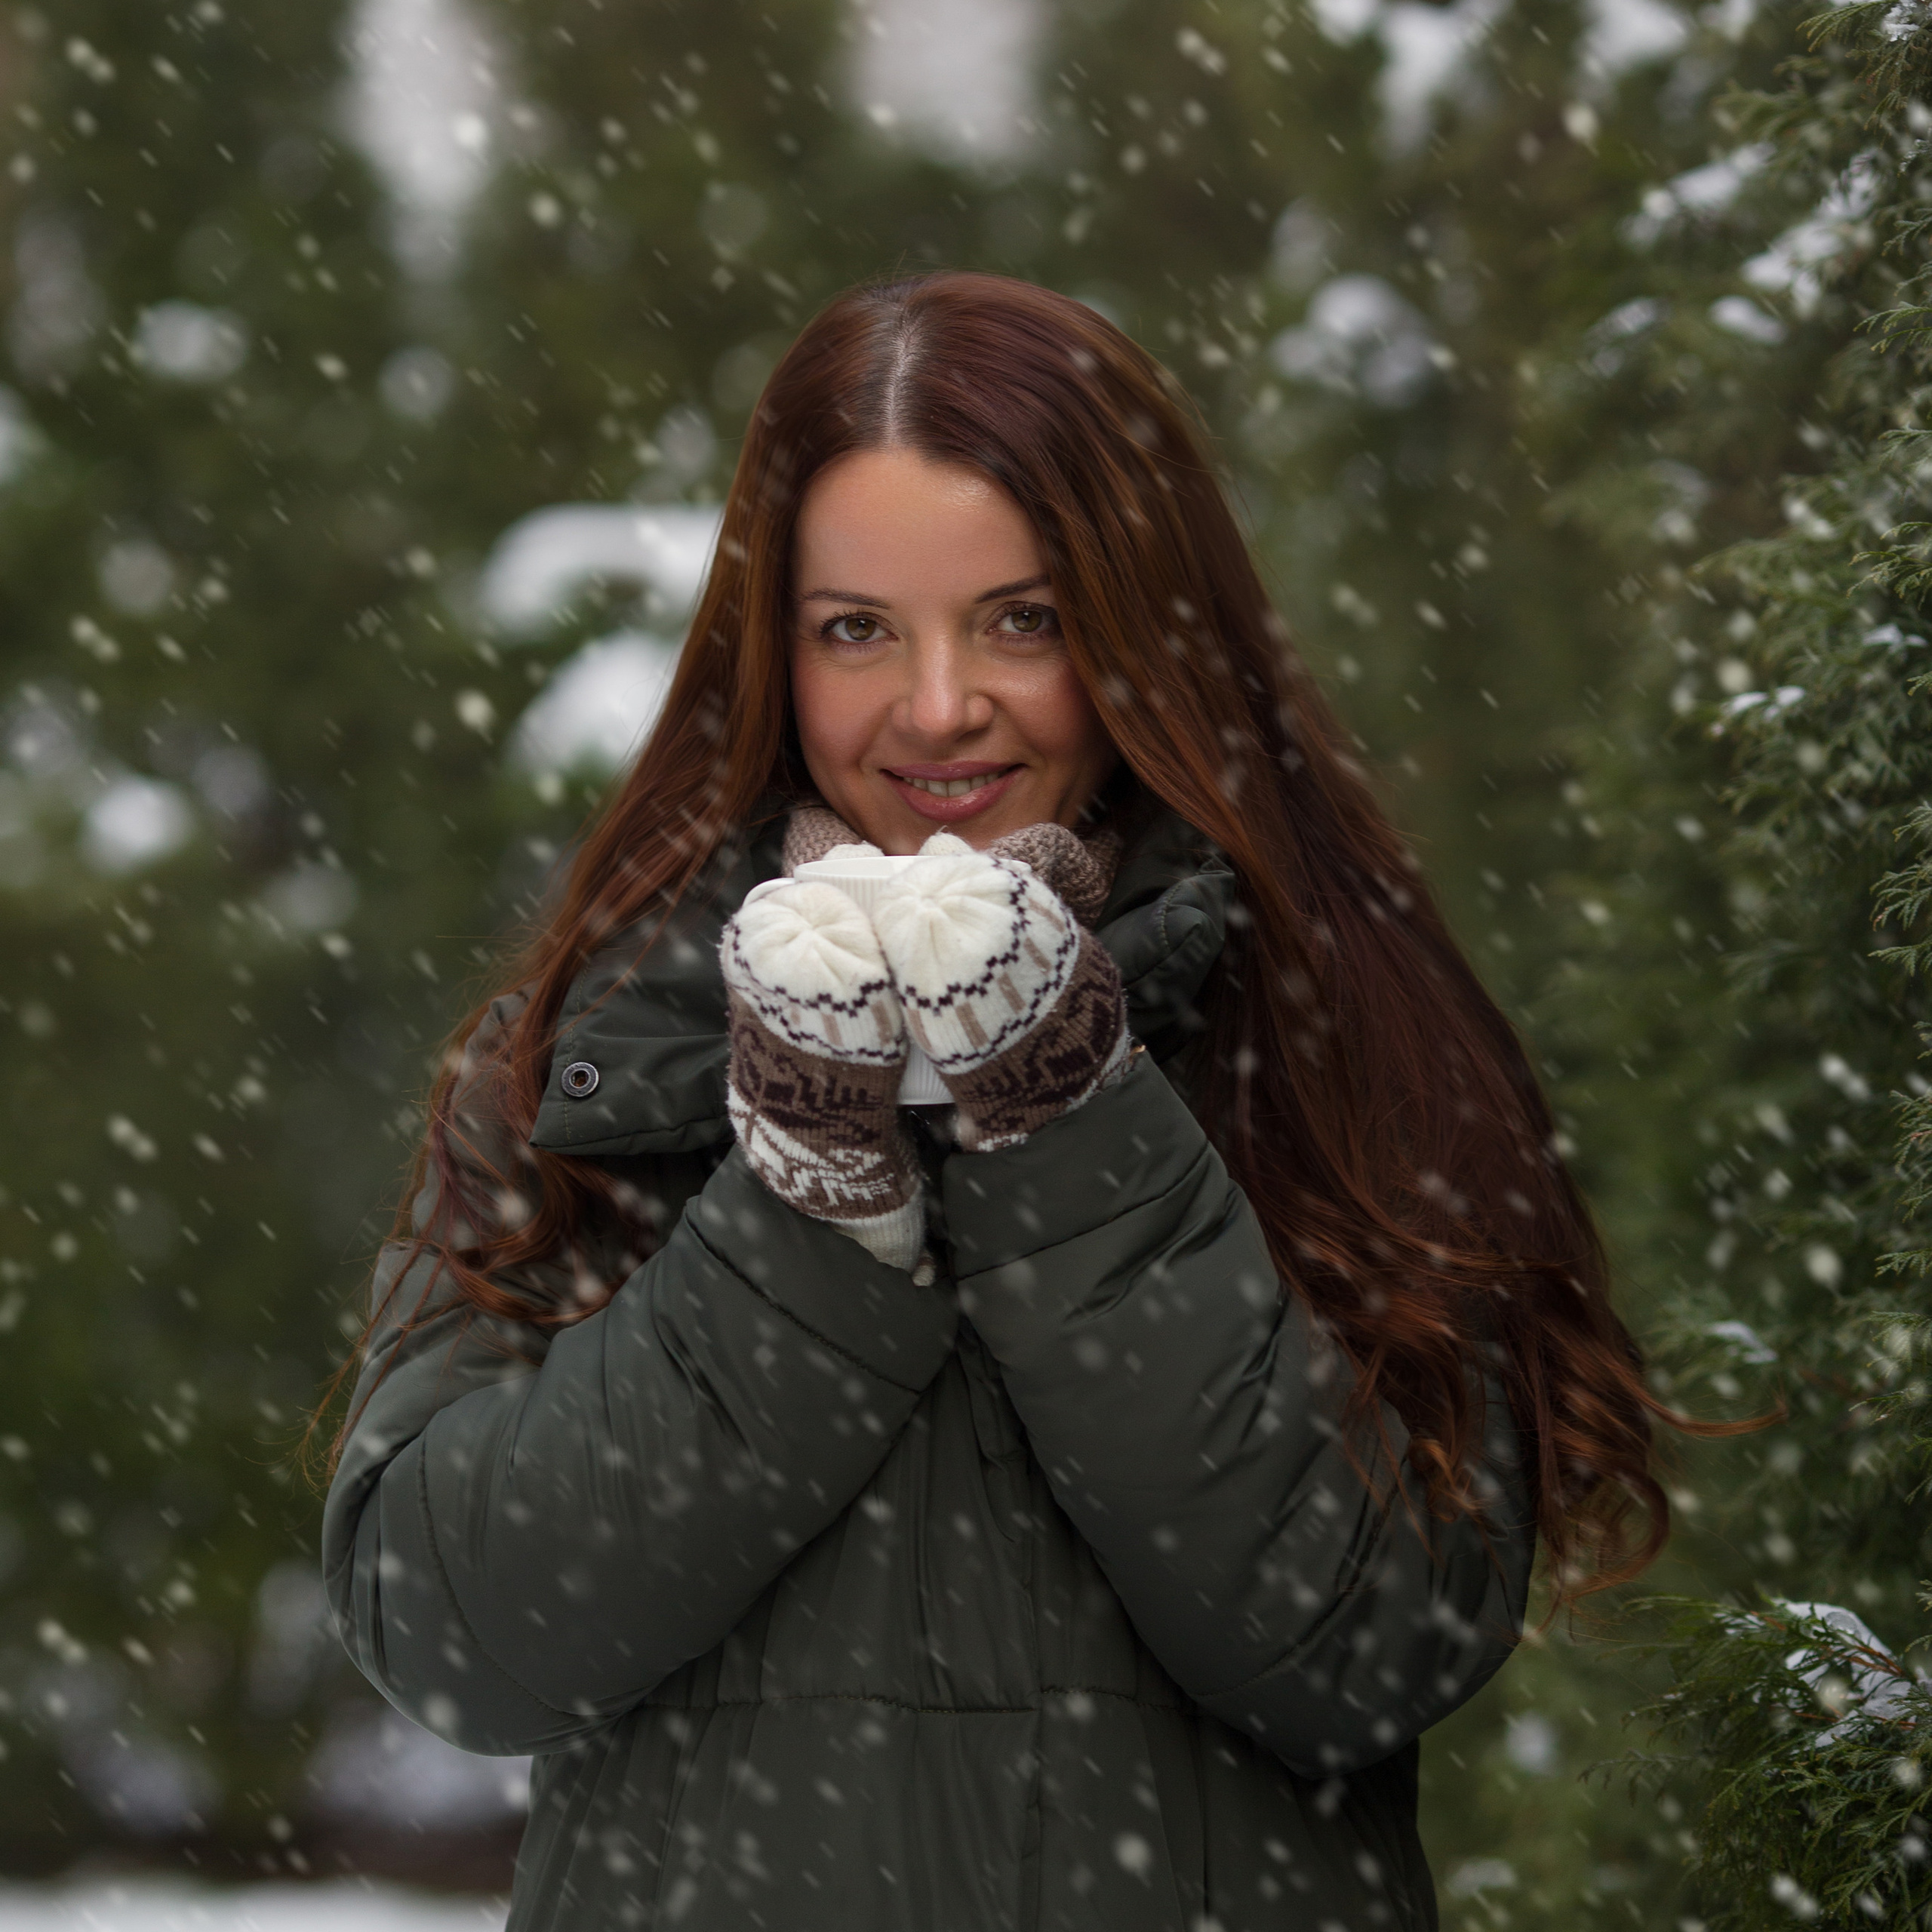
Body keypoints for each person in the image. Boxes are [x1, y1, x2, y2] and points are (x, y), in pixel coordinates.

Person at [321, 272, 1675, 1930]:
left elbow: (1372, 1636)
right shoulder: (599, 1047)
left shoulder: (1333, 1034)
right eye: (856, 628)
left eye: (1022, 619)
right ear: (770, 649)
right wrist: (810, 1208)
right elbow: (452, 1633)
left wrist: (1064, 1110)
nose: (939, 703)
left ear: (1147, 630)